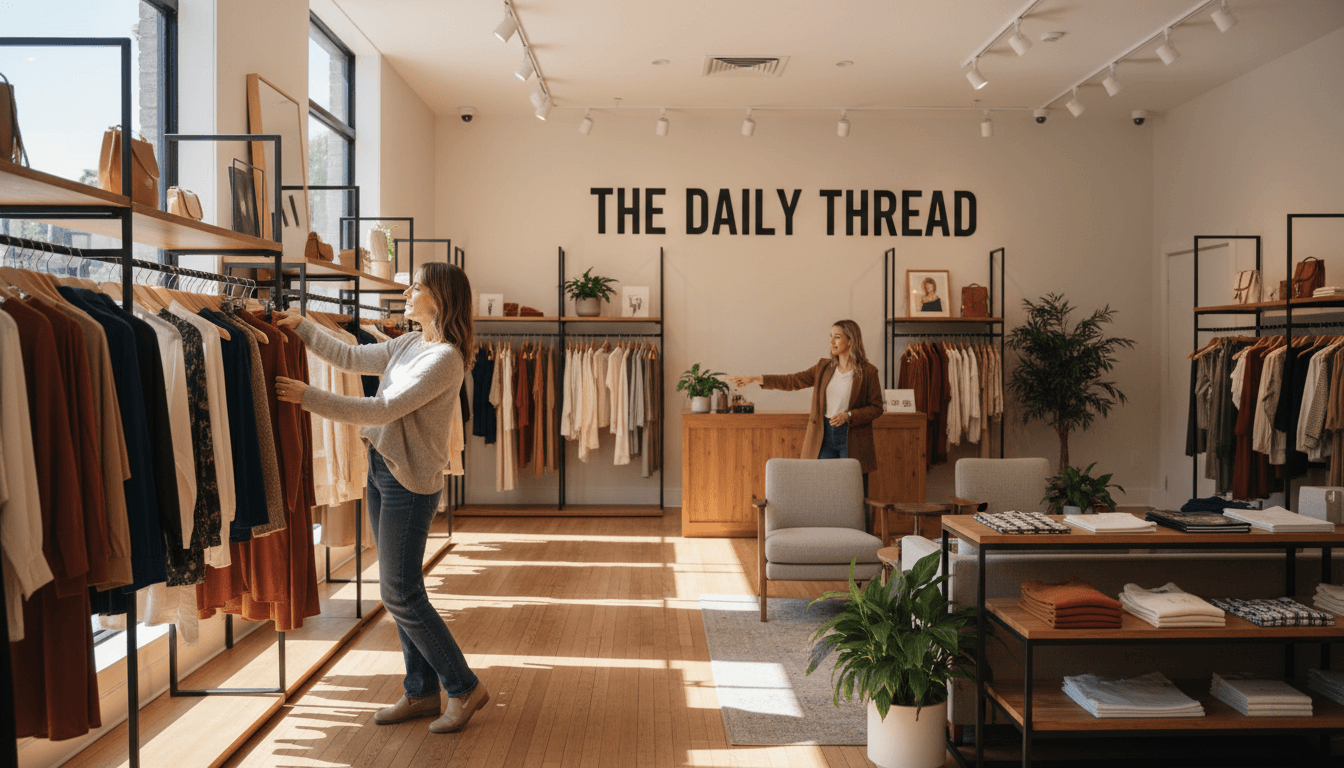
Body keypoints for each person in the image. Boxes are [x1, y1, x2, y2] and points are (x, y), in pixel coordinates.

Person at [272, 262, 488, 734]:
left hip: (408, 482)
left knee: (399, 592)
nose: (406, 292)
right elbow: (351, 357)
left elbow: (384, 408)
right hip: (381, 468)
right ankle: (421, 691)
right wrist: (303, 326)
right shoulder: (410, 343)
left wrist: (308, 397)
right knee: (401, 591)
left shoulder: (444, 358)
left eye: (417, 286)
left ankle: (464, 687)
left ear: (440, 297)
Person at [728, 320, 885, 521]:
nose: (831, 342)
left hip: (852, 438)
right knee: (823, 491)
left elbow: (876, 408)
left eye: (837, 337)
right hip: (823, 438)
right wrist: (757, 378)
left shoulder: (868, 371)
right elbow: (793, 380)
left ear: (851, 340)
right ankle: (824, 534)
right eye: (830, 336)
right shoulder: (823, 367)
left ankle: (861, 536)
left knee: (854, 493)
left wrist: (850, 415)